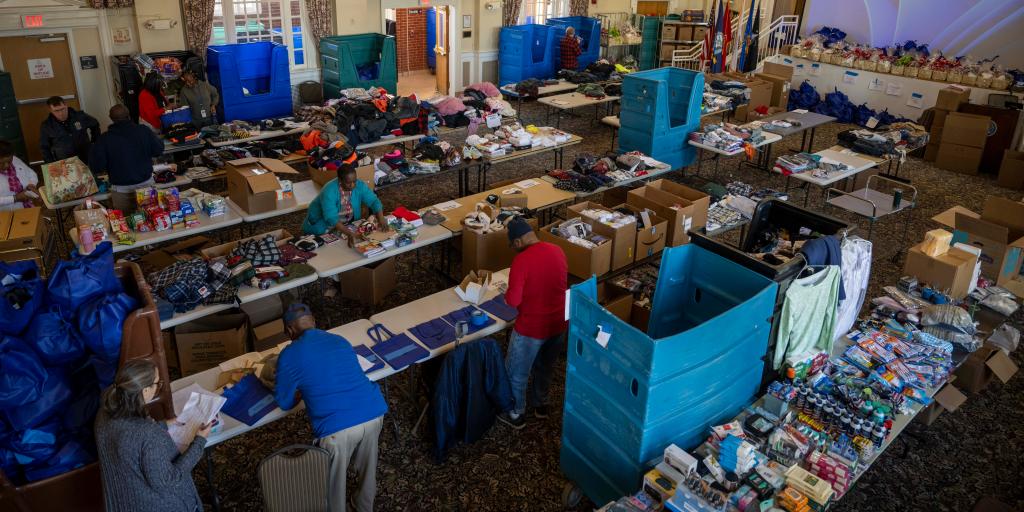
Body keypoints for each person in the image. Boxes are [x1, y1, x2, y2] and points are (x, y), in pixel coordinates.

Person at [274, 303, 388, 512]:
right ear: (314, 322)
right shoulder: (340, 340)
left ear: (289, 331)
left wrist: (300, 390)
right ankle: (364, 506)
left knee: (333, 482)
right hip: (373, 412)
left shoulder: (289, 355)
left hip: (337, 428)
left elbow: (283, 402)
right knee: (368, 467)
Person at [95, 359, 211, 512]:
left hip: (121, 501)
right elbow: (168, 480)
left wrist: (164, 424)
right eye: (157, 383)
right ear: (145, 391)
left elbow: (127, 441)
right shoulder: (147, 434)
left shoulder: (104, 411)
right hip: (159, 505)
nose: (159, 386)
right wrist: (199, 442)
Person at [496, 217, 568, 429]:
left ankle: (516, 413)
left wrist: (507, 294)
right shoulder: (557, 250)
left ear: (517, 242)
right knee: (545, 366)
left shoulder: (521, 260)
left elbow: (513, 301)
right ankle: (541, 404)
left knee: (517, 373)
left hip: (532, 327)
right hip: (558, 323)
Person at [90, 104, 165, 212]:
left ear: (111, 118)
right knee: (153, 219)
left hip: (120, 190)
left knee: (125, 225)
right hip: (146, 186)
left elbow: (97, 166)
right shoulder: (144, 131)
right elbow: (159, 150)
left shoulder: (104, 139)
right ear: (129, 115)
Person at [302, 163, 389, 247]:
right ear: (340, 180)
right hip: (322, 227)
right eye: (348, 182)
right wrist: (348, 233)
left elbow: (373, 201)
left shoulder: (359, 185)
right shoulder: (329, 191)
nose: (352, 185)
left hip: (345, 225)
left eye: (354, 181)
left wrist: (381, 218)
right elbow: (331, 217)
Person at [39, 96, 100, 164]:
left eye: (63, 109)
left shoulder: (80, 116)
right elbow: (44, 148)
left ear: (66, 105)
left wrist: (95, 143)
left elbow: (95, 124)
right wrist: (52, 164)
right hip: (65, 162)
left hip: (86, 157)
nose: (61, 113)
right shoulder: (47, 126)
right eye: (56, 111)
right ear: (50, 110)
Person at [0, 140, 39, 211]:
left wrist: (31, 185)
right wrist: (15, 198)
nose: (6, 165)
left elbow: (31, 174)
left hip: (26, 207)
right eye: (1, 163)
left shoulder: (15, 160)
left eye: (9, 161)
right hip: (5, 215)